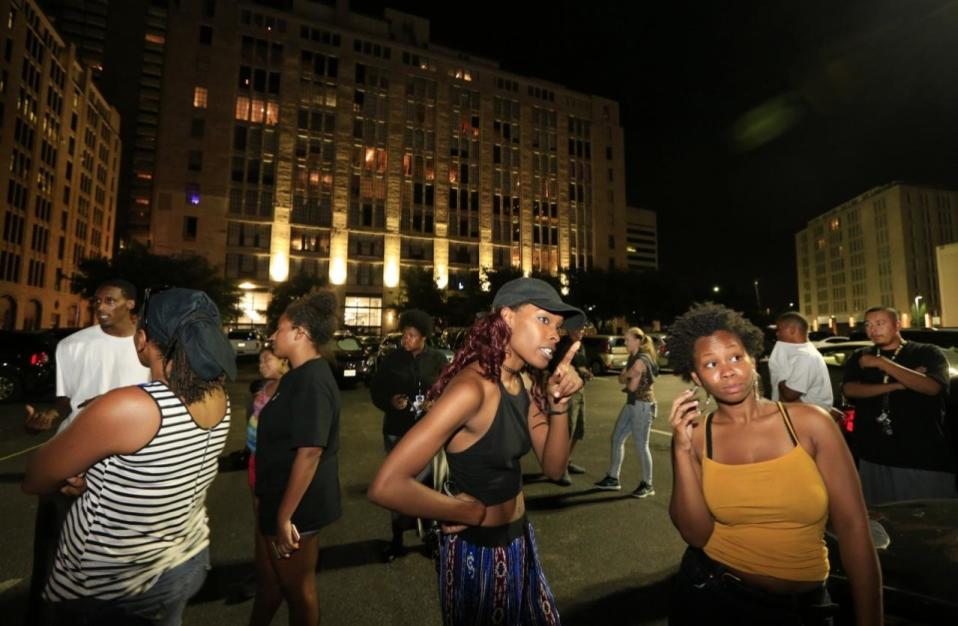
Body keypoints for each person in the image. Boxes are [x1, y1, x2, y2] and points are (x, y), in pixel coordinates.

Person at [368, 277, 585, 625]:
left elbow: (555, 468)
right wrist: (462, 511)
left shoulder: (524, 381)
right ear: (507, 318)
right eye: (544, 320)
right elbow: (386, 484)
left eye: (558, 326)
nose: (555, 335)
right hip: (479, 554)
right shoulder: (472, 389)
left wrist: (560, 404)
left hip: (520, 541)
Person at [22, 287, 236, 626]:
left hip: (114, 583)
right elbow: (154, 470)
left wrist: (79, 469)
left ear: (142, 340)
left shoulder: (131, 406)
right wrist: (93, 478)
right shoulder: (218, 397)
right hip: (185, 557)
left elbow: (36, 478)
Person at [667, 303, 881, 626]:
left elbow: (854, 527)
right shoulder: (695, 435)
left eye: (736, 357)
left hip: (803, 609)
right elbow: (695, 534)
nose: (727, 370)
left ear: (753, 360)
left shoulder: (811, 424)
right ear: (697, 376)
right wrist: (681, 451)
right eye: (711, 363)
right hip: (711, 596)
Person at [23, 278, 151, 625]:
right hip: (75, 457)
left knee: (116, 558)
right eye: (97, 301)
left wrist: (111, 405)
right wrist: (51, 416)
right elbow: (66, 403)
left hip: (128, 466)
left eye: (110, 301)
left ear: (130, 305)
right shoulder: (72, 346)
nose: (101, 307)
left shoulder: (150, 346)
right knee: (51, 551)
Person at [251, 291, 342, 626]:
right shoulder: (295, 377)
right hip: (276, 499)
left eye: (280, 328)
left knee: (299, 593)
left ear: (300, 333)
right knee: (271, 585)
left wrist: (284, 515)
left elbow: (310, 451)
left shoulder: (313, 381)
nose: (273, 335)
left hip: (295, 510)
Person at [842, 306, 957, 505]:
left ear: (897, 325)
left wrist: (882, 364)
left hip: (921, 456)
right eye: (868, 324)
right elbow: (850, 390)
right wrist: (897, 385)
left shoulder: (926, 352)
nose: (873, 329)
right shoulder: (860, 356)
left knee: (927, 521)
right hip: (873, 455)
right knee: (881, 519)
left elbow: (931, 387)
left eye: (880, 323)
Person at [370, 308, 448, 561]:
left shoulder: (437, 360)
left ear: (424, 337)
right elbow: (376, 391)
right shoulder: (393, 360)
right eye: (405, 335)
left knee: (427, 486)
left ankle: (430, 537)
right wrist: (390, 402)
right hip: (396, 431)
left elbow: (451, 388)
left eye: (412, 336)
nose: (406, 340)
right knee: (396, 485)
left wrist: (436, 401)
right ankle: (397, 540)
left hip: (427, 433)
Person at [237, 346, 289, 600]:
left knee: (273, 520)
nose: (260, 362)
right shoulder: (263, 389)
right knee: (260, 519)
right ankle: (264, 570)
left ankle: (276, 573)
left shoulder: (288, 392)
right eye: (260, 358)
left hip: (274, 466)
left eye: (266, 358)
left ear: (284, 363)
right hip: (255, 461)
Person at [594, 327, 659, 497]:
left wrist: (627, 376)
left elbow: (630, 385)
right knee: (617, 438)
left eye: (627, 339)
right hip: (632, 403)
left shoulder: (641, 360)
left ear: (637, 340)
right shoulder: (633, 358)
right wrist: (627, 376)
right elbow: (621, 378)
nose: (625, 342)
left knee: (641, 445)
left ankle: (648, 484)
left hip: (642, 406)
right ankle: (613, 478)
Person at [549, 326, 593, 486]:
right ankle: (559, 469)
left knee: (578, 430)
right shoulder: (563, 346)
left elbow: (583, 365)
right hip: (568, 393)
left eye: (582, 329)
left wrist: (586, 371)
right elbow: (558, 367)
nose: (580, 331)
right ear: (569, 330)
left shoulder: (581, 346)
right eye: (577, 329)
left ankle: (566, 461)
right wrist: (579, 371)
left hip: (580, 391)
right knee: (567, 430)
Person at [768, 312, 833, 411]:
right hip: (807, 416)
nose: (777, 334)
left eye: (779, 329)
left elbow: (789, 395)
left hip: (810, 420)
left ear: (792, 330)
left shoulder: (805, 357)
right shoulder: (804, 353)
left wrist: (778, 372)